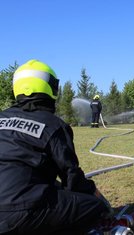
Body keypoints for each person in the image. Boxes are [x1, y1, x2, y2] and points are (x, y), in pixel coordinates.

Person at [0, 60, 112, 235]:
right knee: (94, 206)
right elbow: (71, 177)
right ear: (50, 87)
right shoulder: (53, 125)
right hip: (21, 212)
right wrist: (97, 197)